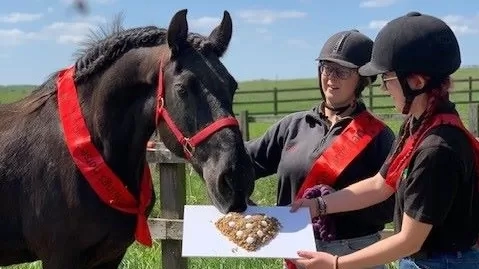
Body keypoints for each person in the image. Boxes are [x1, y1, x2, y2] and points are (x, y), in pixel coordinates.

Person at [290, 11, 479, 269]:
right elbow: (381, 184)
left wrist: (335, 263)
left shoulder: (437, 148)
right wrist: (317, 206)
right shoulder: (418, 125)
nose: (383, 88)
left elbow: (410, 240)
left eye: (387, 78)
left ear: (416, 82)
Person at [244, 29, 396, 269]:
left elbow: (389, 206)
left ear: (362, 79)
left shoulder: (378, 135)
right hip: (297, 252)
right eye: (326, 67)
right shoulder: (292, 126)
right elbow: (244, 163)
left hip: (353, 254)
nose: (331, 77)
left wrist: (330, 206)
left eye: (342, 71)